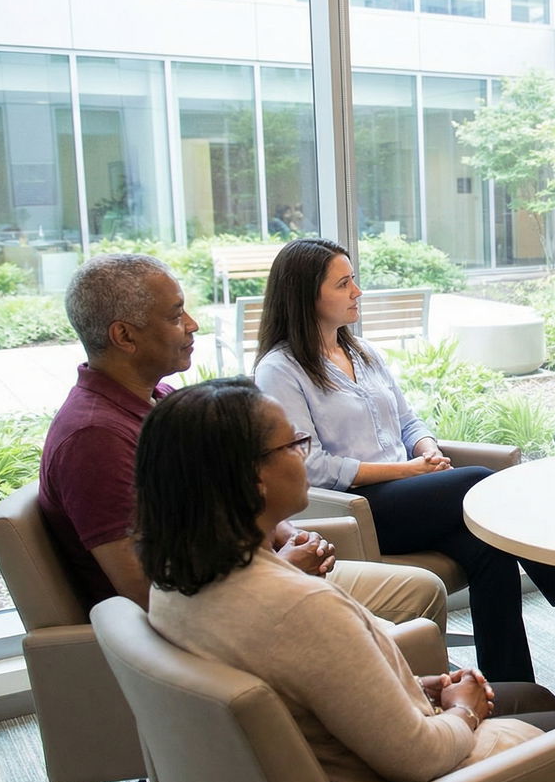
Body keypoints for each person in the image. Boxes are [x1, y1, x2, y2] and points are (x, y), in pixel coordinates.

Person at [137, 379, 555, 782]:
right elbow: (419, 758)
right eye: (294, 445)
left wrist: (409, 688)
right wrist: (463, 712)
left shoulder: (173, 583)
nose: (303, 455)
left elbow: (307, 697)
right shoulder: (302, 606)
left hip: (317, 779)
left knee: (531, 696)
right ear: (252, 479)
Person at [253, 237, 555, 684]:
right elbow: (313, 467)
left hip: (410, 496)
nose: (357, 292)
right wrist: (410, 470)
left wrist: (427, 450)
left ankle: (513, 689)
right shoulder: (280, 370)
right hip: (357, 508)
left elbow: (408, 421)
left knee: (489, 551)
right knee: (479, 479)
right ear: (306, 295)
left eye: (354, 280)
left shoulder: (362, 353)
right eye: (344, 284)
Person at [39, 253, 450, 632]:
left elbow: (230, 502)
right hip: (217, 613)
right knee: (419, 596)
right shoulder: (94, 438)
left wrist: (288, 536)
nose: (193, 324)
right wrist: (279, 570)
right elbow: (146, 591)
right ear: (124, 336)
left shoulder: (159, 400)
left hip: (255, 569)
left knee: (423, 589)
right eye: (176, 314)